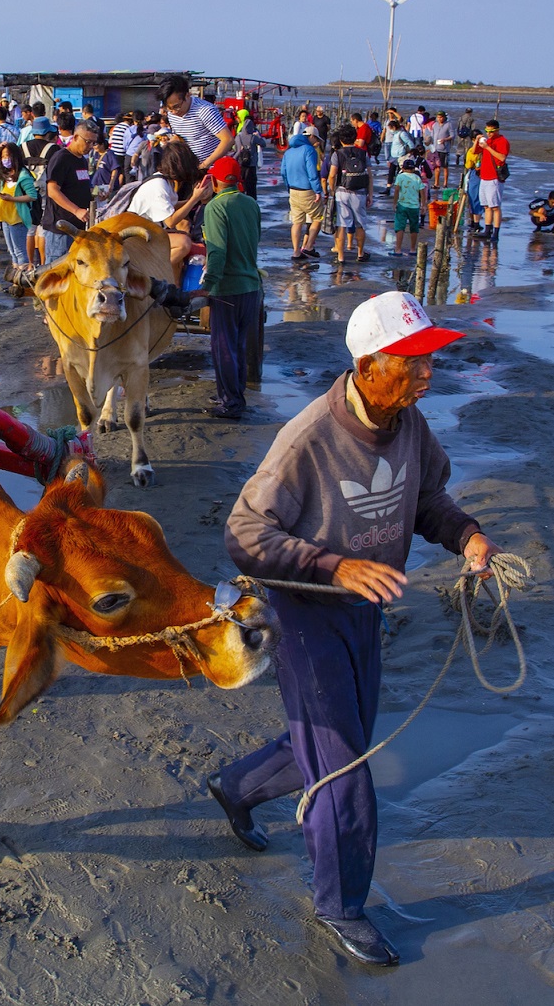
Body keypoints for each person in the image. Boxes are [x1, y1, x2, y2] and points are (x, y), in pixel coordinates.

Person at [210, 290, 495, 968]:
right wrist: (333, 567)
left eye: (429, 361)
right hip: (307, 613)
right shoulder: (306, 439)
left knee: (340, 744)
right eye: (413, 363)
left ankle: (236, 788)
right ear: (368, 367)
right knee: (345, 770)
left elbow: (427, 499)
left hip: (366, 611)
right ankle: (341, 905)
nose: (428, 375)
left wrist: (468, 537)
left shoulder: (411, 426)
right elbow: (244, 533)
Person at [196, 157, 261, 419]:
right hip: (251, 286)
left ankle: (231, 402)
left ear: (214, 181)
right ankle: (233, 394)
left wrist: (207, 286)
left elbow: (217, 253)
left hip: (227, 289)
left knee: (223, 348)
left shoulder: (215, 207)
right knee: (238, 345)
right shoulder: (251, 204)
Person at [130, 138, 213, 282]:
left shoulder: (164, 181)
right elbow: (170, 221)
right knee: (183, 243)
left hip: (150, 233)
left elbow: (171, 207)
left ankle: (175, 287)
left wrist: (194, 199)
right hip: (138, 237)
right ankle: (152, 275)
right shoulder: (158, 186)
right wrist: (194, 199)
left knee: (184, 232)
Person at [39, 118, 98, 264]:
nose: (90, 146)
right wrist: (76, 210)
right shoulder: (62, 158)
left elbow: (79, 185)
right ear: (76, 137)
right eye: (87, 141)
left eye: (93, 142)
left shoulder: (82, 160)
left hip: (78, 228)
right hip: (61, 227)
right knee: (57, 268)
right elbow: (53, 190)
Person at [158, 74, 234, 168]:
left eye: (176, 107)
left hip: (211, 169)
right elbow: (181, 137)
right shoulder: (172, 114)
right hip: (189, 168)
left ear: (187, 95)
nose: (173, 112)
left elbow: (228, 140)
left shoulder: (205, 110)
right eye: (168, 108)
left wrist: (204, 165)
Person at [0, 143, 37, 280]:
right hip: (5, 218)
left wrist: (13, 198)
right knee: (13, 252)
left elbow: (32, 195)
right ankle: (16, 279)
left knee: (20, 251)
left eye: (7, 156)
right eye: (3, 156)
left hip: (17, 218)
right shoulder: (4, 171)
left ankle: (23, 279)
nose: (5, 159)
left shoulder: (23, 175)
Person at [327, 127, 373, 263]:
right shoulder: (363, 154)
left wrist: (332, 190)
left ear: (341, 140)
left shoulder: (337, 154)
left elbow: (332, 175)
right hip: (359, 192)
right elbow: (370, 176)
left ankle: (341, 256)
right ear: (355, 138)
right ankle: (360, 253)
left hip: (342, 191)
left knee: (341, 224)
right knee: (360, 224)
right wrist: (370, 194)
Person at [281, 125, 322, 262]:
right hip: (307, 190)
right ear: (311, 136)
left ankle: (296, 251)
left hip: (293, 189)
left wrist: (288, 187)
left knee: (297, 222)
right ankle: (309, 246)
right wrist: (318, 190)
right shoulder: (309, 150)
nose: (316, 142)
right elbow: (312, 172)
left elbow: (283, 172)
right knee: (318, 217)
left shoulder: (289, 151)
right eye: (315, 138)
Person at [473, 120, 509, 241]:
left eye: (491, 131)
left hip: (495, 178)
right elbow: (474, 151)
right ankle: (487, 230)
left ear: (497, 130)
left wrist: (488, 148)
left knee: (495, 206)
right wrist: (478, 140)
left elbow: (502, 157)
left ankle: (496, 232)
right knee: (486, 206)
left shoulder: (502, 141)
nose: (489, 134)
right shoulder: (487, 140)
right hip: (484, 176)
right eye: (487, 131)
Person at [392, 157, 428, 256]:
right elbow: (422, 192)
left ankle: (398, 249)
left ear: (403, 168)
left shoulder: (400, 177)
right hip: (414, 206)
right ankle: (412, 249)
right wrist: (423, 205)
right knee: (414, 227)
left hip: (402, 205)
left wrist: (394, 203)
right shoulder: (417, 178)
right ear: (413, 169)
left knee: (400, 227)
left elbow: (396, 190)